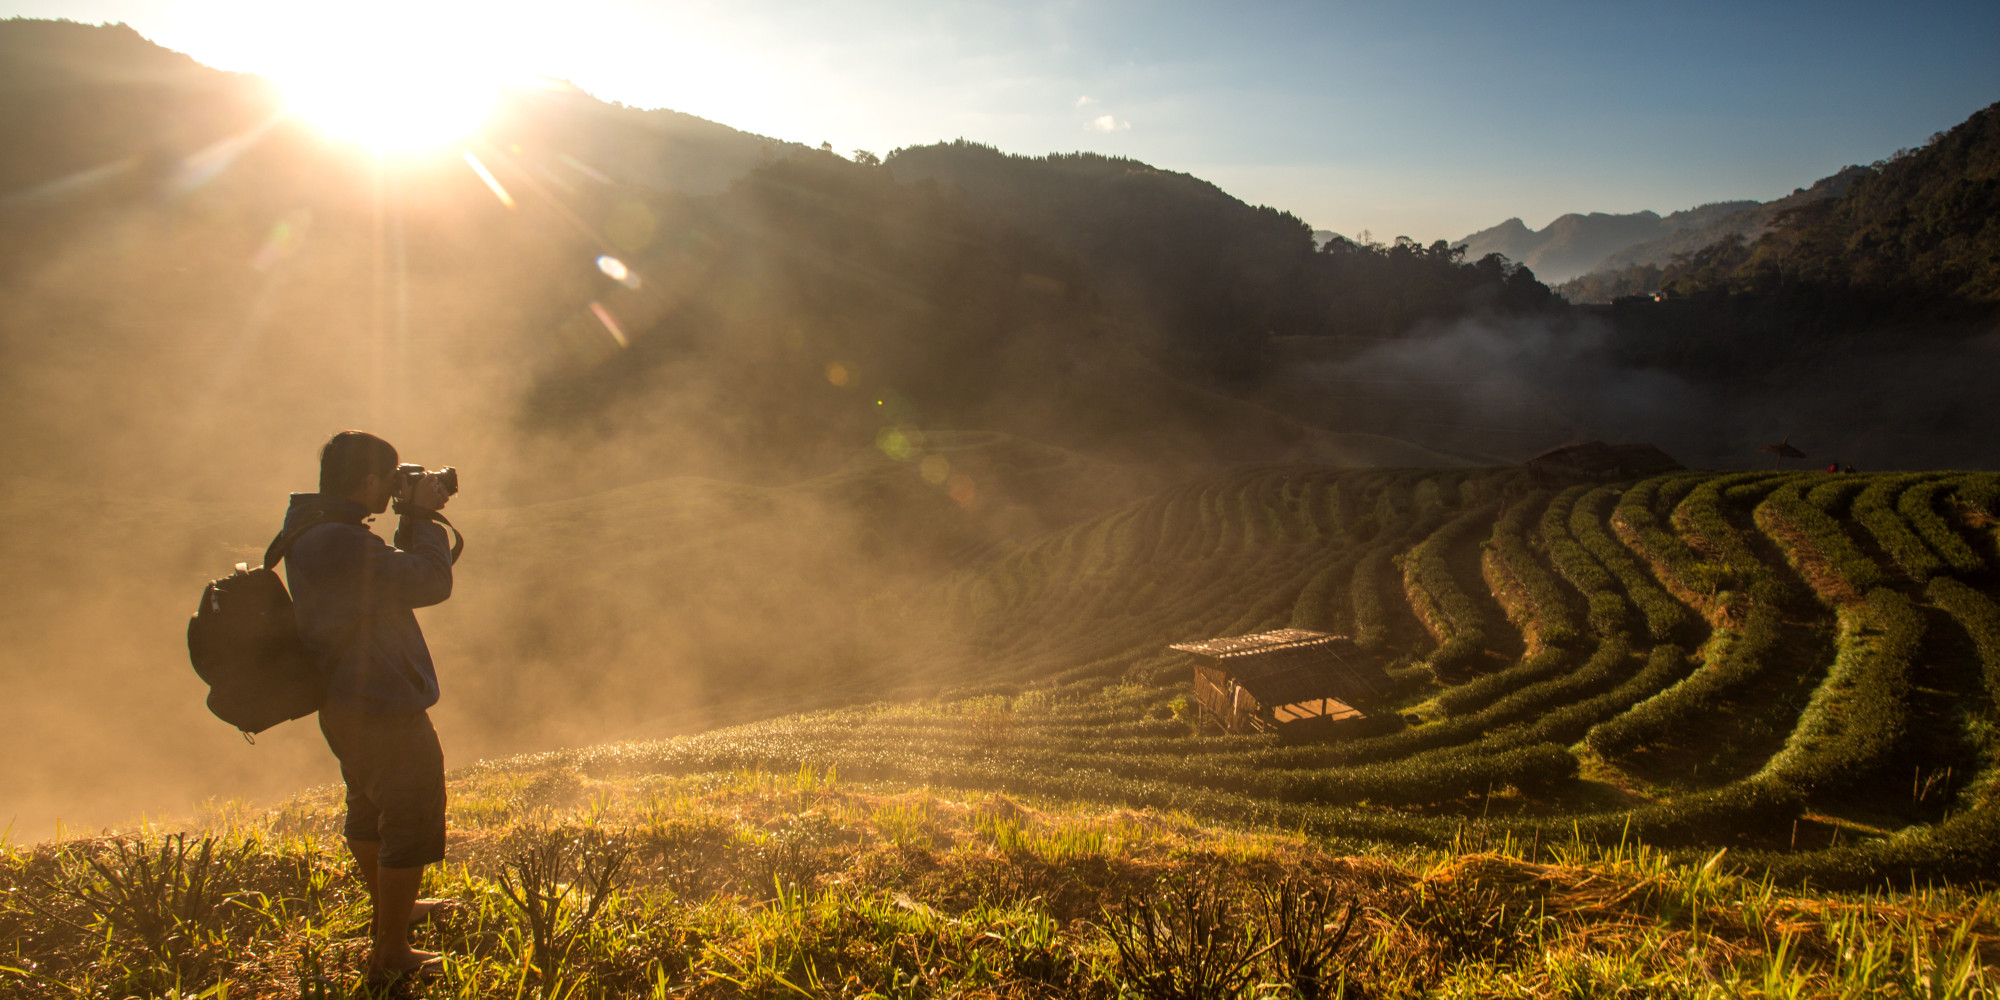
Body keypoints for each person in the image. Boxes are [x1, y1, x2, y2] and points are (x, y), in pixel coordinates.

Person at [283, 430, 456, 981]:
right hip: (380, 701)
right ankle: (391, 955)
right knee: (409, 814)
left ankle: (392, 913)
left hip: (347, 699)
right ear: (371, 481)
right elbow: (427, 581)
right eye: (392, 478)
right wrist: (424, 518)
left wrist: (410, 516)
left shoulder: (316, 528)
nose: (395, 487)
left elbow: (383, 579)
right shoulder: (340, 541)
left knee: (370, 805)